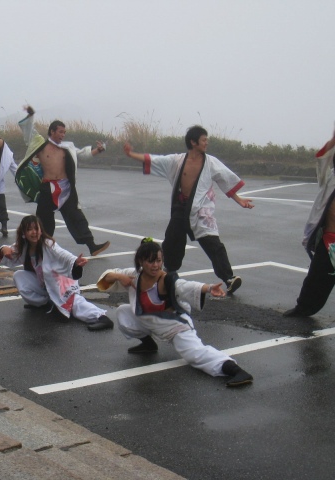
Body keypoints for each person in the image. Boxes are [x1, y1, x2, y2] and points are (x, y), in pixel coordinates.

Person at [97, 238, 253, 387]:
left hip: (174, 327)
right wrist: (120, 277)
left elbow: (186, 286)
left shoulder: (167, 280)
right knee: (123, 312)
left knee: (195, 355)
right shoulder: (134, 276)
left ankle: (236, 371)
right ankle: (148, 344)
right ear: (141, 262)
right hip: (150, 322)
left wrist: (209, 288)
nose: (156, 265)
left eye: (159, 261)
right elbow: (107, 275)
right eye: (151, 261)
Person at [123, 126, 254, 293]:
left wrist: (239, 199)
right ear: (193, 142)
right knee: (171, 243)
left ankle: (229, 278)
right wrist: (131, 154)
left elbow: (224, 179)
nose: (206, 143)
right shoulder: (177, 161)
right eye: (204, 140)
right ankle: (167, 275)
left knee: (214, 245)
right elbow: (155, 160)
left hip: (201, 212)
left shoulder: (211, 162)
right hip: (180, 209)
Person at [15, 106, 110, 256]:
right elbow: (28, 132)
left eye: (64, 132)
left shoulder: (67, 147)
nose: (63, 135)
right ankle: (41, 248)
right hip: (47, 187)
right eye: (60, 131)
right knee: (44, 220)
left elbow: (82, 154)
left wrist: (98, 150)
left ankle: (92, 246)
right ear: (52, 132)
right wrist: (31, 115)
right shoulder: (40, 145)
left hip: (65, 187)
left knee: (77, 217)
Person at [0, 215, 114, 331]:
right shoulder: (24, 246)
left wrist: (75, 262)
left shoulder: (48, 245)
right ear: (24, 233)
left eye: (36, 228)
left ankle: (101, 318)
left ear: (41, 230)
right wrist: (4, 249)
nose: (34, 232)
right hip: (44, 285)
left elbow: (63, 255)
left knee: (75, 303)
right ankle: (46, 303)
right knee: (19, 276)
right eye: (29, 229)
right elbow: (10, 251)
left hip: (59, 283)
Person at [284, 129, 335, 317]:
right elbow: (322, 159)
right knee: (316, 277)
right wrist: (334, 139)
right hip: (329, 239)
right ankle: (303, 308)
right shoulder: (330, 178)